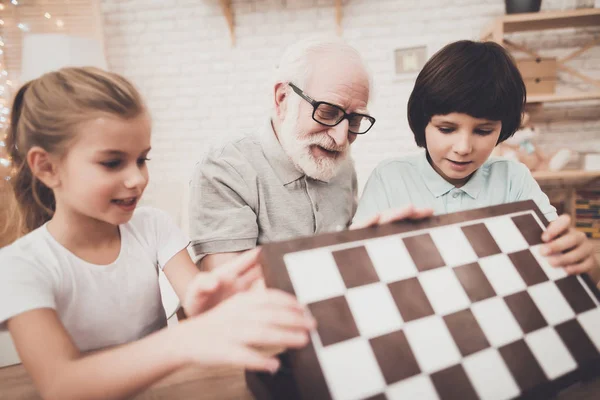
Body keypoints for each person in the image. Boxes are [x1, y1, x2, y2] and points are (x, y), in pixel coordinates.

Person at [0, 67, 316, 400]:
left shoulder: (152, 225)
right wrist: (184, 339)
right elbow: (61, 384)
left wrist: (208, 306)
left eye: (142, 159)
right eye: (112, 163)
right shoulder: (19, 266)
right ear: (48, 168)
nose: (137, 179)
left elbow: (197, 299)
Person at [355, 40, 599, 277]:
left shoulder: (513, 178)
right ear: (422, 123)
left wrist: (585, 260)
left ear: (502, 130)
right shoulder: (389, 178)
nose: (463, 148)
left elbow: (557, 258)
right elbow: (357, 262)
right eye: (447, 129)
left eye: (483, 131)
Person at [189, 36, 386, 271]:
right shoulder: (225, 167)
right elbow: (233, 291)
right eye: (327, 112)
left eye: (355, 119)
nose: (341, 138)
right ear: (282, 98)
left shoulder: (343, 164)